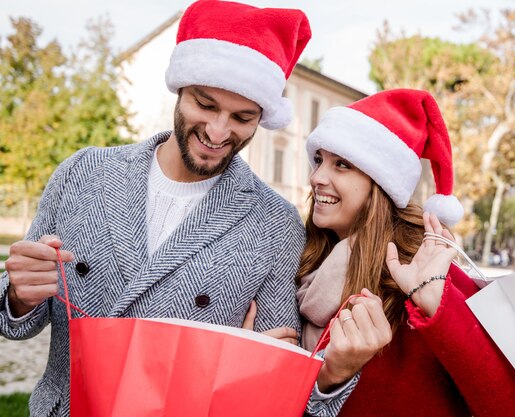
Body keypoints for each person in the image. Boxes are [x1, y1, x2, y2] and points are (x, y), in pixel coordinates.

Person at [0, 1, 356, 415]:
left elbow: (274, 374)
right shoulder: (84, 173)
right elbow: (15, 322)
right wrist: (17, 295)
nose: (219, 131)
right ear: (180, 89)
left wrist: (259, 363)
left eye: (242, 117)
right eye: (205, 105)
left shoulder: (275, 223)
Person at [297, 89, 515, 416]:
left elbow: (513, 406)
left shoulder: (425, 270)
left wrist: (437, 307)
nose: (317, 177)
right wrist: (329, 377)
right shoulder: (303, 261)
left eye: (341, 165)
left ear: (381, 185)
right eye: (319, 160)